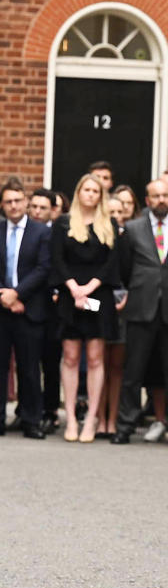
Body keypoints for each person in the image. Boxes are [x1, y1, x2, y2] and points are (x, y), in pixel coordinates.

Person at [112, 179, 168, 447]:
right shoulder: (133, 230)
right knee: (133, 372)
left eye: (165, 195)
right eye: (155, 196)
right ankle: (125, 426)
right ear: (147, 201)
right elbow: (123, 269)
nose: (161, 200)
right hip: (140, 309)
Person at [50, 174, 120, 443]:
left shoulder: (109, 224)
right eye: (86, 190)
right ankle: (70, 418)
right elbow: (57, 259)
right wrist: (74, 288)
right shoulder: (63, 224)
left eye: (95, 191)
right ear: (78, 192)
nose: (90, 194)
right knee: (69, 356)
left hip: (97, 296)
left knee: (94, 357)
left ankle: (91, 418)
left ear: (101, 196)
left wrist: (89, 288)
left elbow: (111, 262)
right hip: (70, 295)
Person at [0, 179, 52, 439]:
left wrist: (18, 294)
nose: (13, 205)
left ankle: (31, 420)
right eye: (8, 201)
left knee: (29, 368)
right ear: (2, 205)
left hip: (30, 310)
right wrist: (4, 296)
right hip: (1, 308)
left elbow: (44, 269)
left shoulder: (41, 232)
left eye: (17, 200)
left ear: (26, 202)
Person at [28, 189, 60, 433]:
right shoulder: (23, 231)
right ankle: (27, 410)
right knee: (28, 364)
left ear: (53, 210)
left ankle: (50, 411)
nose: (37, 212)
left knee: (51, 362)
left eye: (43, 208)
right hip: (27, 306)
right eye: (34, 206)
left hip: (55, 309)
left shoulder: (58, 233)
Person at [98, 196, 130, 440]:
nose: (117, 215)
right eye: (112, 211)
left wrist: (126, 299)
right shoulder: (95, 236)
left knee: (116, 367)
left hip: (123, 307)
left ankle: (112, 419)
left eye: (121, 211)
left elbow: (134, 273)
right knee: (98, 364)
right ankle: (98, 417)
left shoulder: (130, 238)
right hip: (97, 306)